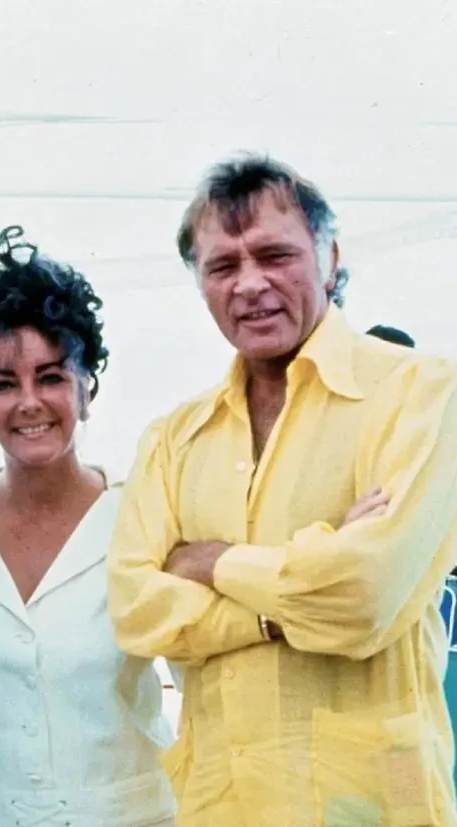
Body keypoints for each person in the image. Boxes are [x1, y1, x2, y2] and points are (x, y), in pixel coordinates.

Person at [106, 154, 457, 825]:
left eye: (275, 255)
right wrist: (286, 603)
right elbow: (136, 611)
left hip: (369, 808)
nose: (250, 283)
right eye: (223, 266)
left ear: (330, 260)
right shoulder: (173, 438)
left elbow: (365, 596)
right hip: (220, 806)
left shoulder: (420, 393)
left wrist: (212, 563)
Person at [0, 226, 175, 826]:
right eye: (3, 384)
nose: (29, 401)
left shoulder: (143, 515)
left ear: (86, 389)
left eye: (51, 377)